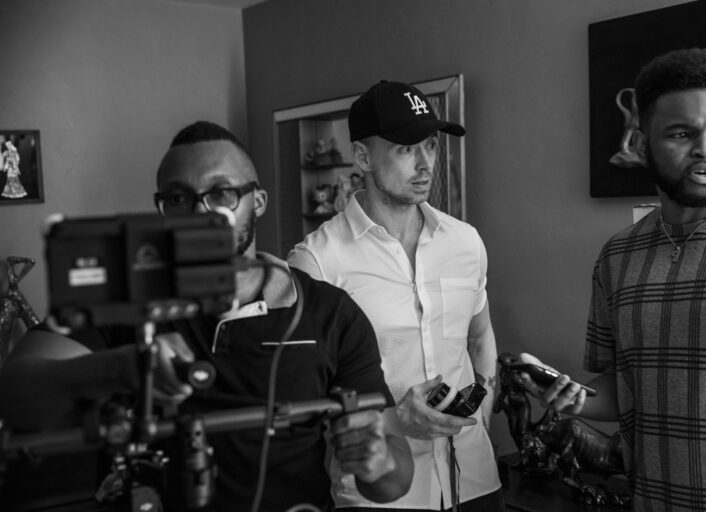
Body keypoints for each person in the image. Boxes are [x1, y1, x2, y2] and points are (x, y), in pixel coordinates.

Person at [0, 121, 414, 512]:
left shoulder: (329, 313)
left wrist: (379, 463)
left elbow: (394, 481)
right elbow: (15, 393)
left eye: (221, 193)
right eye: (179, 198)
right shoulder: (121, 301)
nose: (201, 214)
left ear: (259, 201)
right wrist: (123, 369)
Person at [519, 48, 706, 510]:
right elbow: (625, 387)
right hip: (653, 499)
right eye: (682, 133)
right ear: (642, 143)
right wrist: (570, 399)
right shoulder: (618, 255)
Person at [288, 81, 502, 512]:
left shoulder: (465, 242)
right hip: (382, 494)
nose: (425, 164)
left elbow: (479, 338)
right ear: (363, 157)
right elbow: (303, 401)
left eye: (430, 146)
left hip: (475, 482)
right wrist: (393, 422)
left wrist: (482, 409)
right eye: (406, 149)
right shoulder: (317, 262)